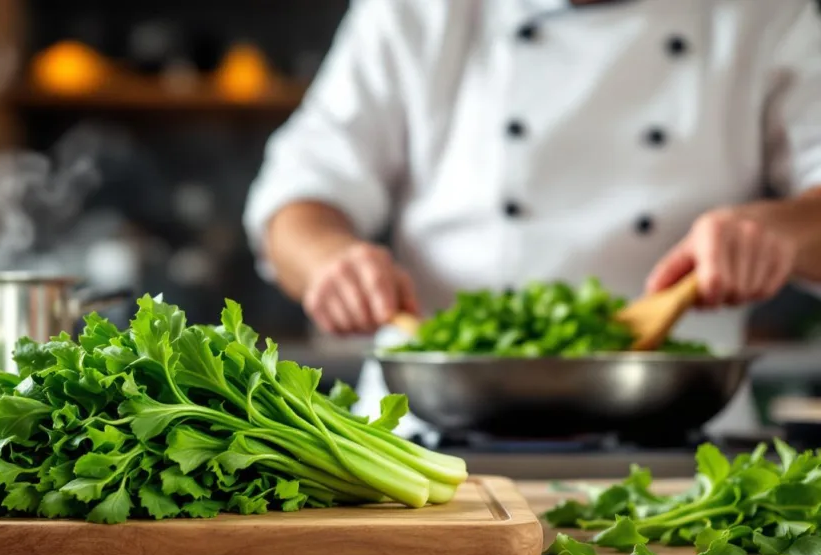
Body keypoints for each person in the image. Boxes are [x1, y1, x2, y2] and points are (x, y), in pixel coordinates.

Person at [243, 0, 821, 439]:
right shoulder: (417, 12)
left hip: (687, 439)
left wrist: (783, 233)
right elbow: (297, 196)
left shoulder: (766, 14)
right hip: (423, 438)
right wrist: (329, 261)